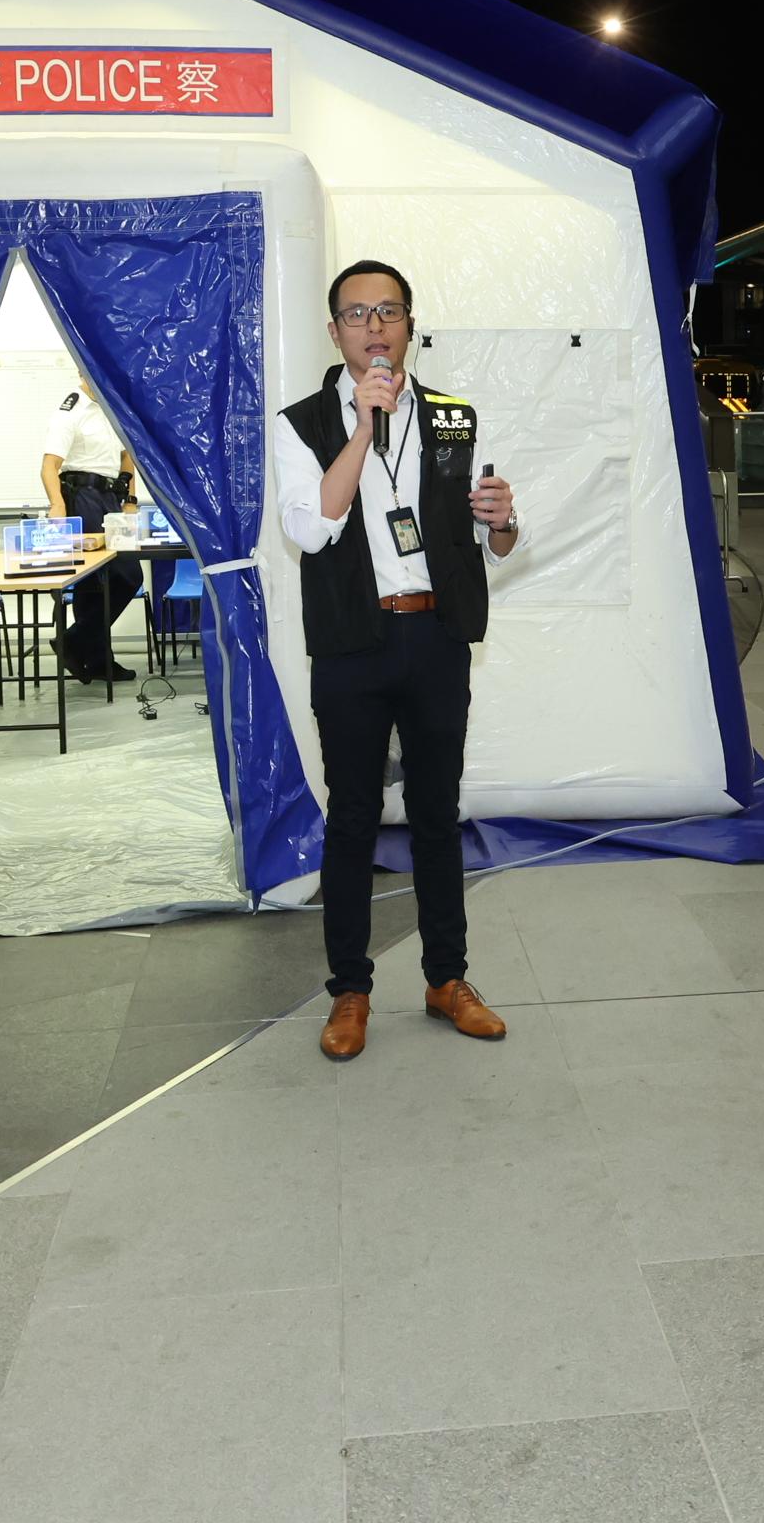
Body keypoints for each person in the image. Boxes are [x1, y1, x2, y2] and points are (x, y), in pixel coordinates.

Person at [272, 260, 522, 1061]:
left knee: (435, 815)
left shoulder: (453, 416)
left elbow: (492, 540)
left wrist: (505, 522)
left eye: (388, 312)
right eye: (356, 314)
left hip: (435, 638)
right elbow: (312, 528)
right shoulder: (300, 421)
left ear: (411, 324)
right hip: (352, 640)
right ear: (335, 330)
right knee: (351, 818)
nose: (373, 327)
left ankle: (447, 978)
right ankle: (350, 991)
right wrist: (360, 430)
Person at [42, 380, 143, 685]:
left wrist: (130, 501)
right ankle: (91, 654)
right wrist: (57, 506)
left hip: (110, 499)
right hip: (82, 496)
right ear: (81, 371)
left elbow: (128, 457)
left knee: (125, 576)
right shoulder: (71, 409)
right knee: (98, 581)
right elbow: (50, 466)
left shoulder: (113, 407)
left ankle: (81, 647)